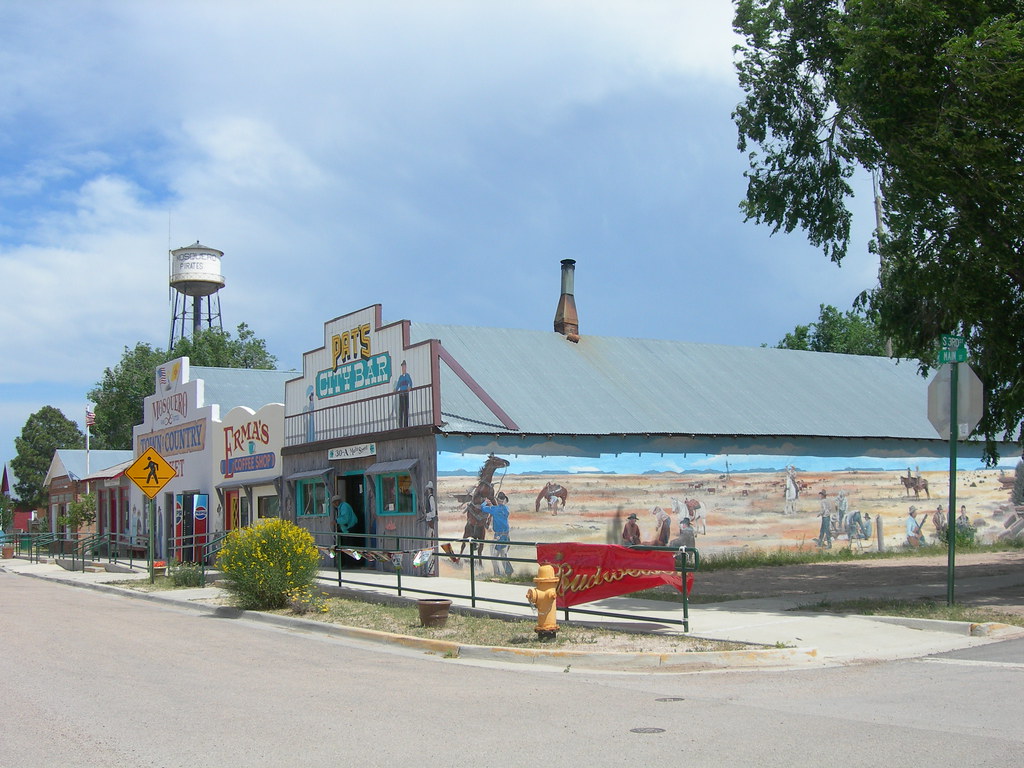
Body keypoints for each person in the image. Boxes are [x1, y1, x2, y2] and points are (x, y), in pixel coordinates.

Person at [481, 492, 513, 577]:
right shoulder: (506, 509)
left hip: (498, 536)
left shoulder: (494, 509)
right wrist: (491, 505)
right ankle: (508, 572)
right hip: (506, 535)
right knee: (503, 554)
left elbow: (483, 508)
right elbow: (497, 509)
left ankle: (497, 573)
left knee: (494, 556)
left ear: (497, 500)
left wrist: (486, 502)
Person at [394, 360, 413, 428]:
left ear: (406, 367)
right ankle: (401, 425)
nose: (403, 368)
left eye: (404, 367)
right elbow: (398, 385)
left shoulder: (407, 376)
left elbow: (410, 383)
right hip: (401, 394)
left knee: (405, 409)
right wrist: (395, 389)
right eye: (402, 367)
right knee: (401, 409)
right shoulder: (400, 377)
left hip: (405, 394)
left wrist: (409, 387)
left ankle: (405, 425)